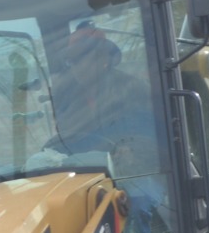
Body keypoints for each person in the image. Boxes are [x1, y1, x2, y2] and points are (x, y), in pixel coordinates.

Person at [48, 24, 152, 153]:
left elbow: (153, 136)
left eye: (79, 58)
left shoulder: (133, 89)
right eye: (71, 61)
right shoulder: (66, 98)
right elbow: (68, 141)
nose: (75, 67)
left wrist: (132, 151)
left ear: (103, 58)